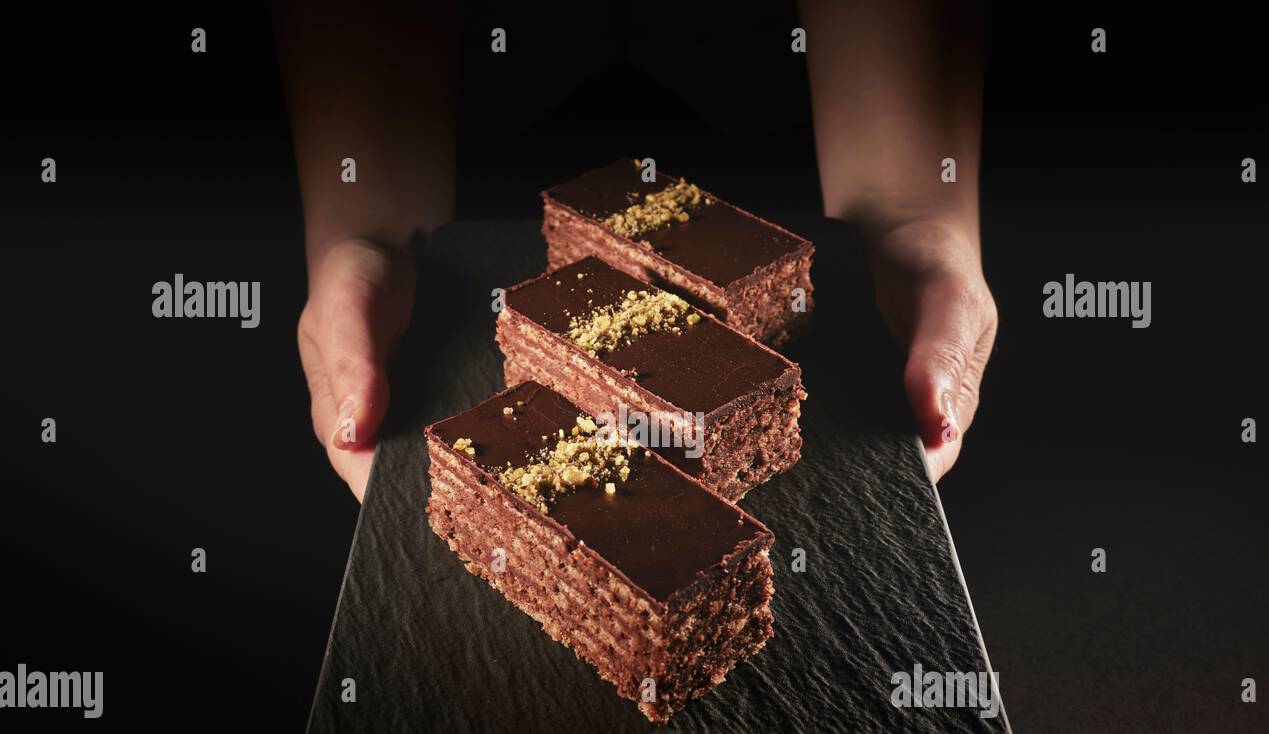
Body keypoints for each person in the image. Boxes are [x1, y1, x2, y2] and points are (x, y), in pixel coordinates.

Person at [276, 0, 997, 500]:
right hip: (491, 163)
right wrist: (362, 233)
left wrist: (916, 223)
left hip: (777, 145)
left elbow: (904, 182)